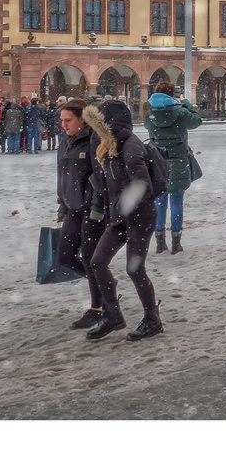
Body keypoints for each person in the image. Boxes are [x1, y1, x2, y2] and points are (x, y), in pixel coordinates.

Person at [85, 99, 163, 341]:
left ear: (109, 125)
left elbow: (142, 185)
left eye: (98, 126)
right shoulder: (109, 147)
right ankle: (112, 315)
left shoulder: (130, 146)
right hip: (120, 217)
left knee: (135, 269)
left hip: (140, 217)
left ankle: (153, 320)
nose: (95, 132)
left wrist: (123, 207)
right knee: (97, 262)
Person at [56, 100, 107, 330]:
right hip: (73, 206)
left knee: (89, 258)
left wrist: (97, 207)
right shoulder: (65, 141)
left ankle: (98, 307)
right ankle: (104, 285)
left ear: (82, 120)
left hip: (92, 208)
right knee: (64, 256)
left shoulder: (93, 140)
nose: (63, 125)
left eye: (68, 121)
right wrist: (63, 203)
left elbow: (100, 177)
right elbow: (62, 175)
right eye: (62, 121)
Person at [145, 80, 204, 254]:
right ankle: (176, 242)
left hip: (157, 161)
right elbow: (197, 121)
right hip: (178, 159)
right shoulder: (180, 112)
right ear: (172, 94)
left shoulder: (150, 114)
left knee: (160, 200)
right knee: (177, 201)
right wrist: (185, 103)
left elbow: (150, 131)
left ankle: (159, 241)